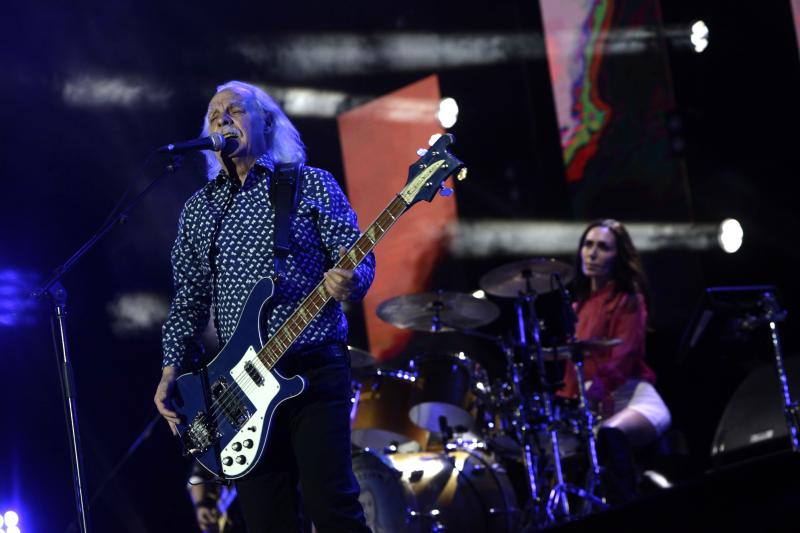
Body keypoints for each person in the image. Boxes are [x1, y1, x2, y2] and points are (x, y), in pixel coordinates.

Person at [153, 80, 375, 532]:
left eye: (234, 110)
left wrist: (352, 281)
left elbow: (358, 258)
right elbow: (189, 297)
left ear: (267, 123)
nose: (221, 118)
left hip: (314, 367)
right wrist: (170, 367)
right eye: (213, 115)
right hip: (242, 386)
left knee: (331, 507)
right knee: (266, 521)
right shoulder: (199, 211)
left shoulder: (311, 184)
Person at [560, 218, 671, 500]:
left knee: (609, 435)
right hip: (595, 402)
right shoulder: (577, 308)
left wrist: (597, 389)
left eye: (603, 247)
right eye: (588, 245)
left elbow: (625, 356)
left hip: (631, 396)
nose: (592, 253)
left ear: (616, 257)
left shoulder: (629, 300)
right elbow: (572, 370)